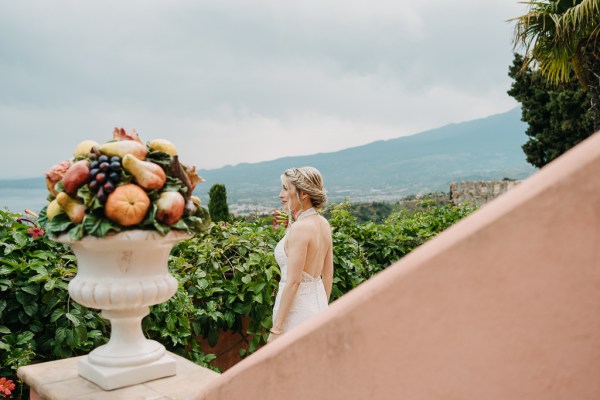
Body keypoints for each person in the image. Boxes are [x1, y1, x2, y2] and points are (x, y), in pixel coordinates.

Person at [268, 167, 333, 342]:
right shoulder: (323, 223)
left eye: (285, 188)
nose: (281, 194)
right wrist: (321, 308)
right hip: (318, 309)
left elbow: (294, 281)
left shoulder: (300, 228)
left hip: (296, 315)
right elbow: (328, 275)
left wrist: (276, 329)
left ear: (303, 193)